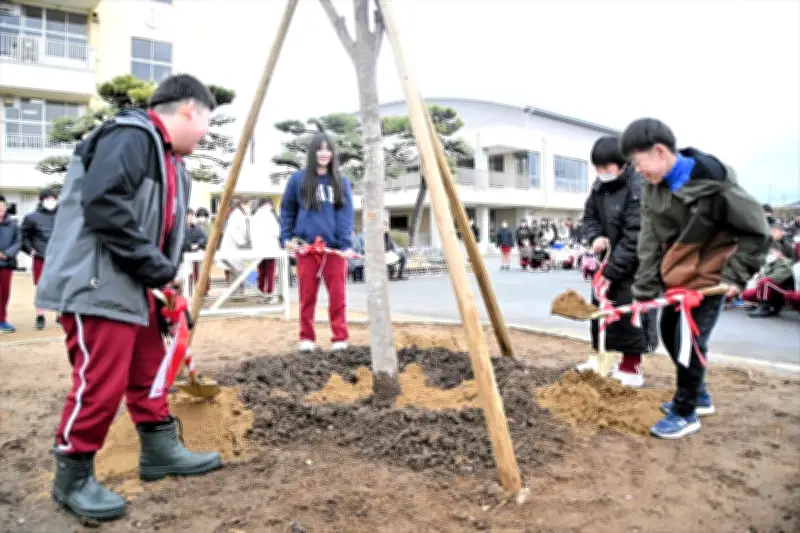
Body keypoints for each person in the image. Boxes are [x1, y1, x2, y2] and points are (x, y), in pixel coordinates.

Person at [34, 74, 223, 520]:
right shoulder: (132, 136)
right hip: (96, 283)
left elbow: (159, 229)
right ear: (189, 109)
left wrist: (163, 282)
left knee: (147, 371)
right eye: (207, 123)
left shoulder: (171, 160)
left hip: (135, 286)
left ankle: (159, 450)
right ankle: (73, 476)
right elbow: (104, 204)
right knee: (101, 381)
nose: (206, 133)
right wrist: (157, 270)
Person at [621, 118, 770, 439]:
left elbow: (758, 233)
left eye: (637, 162)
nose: (636, 170)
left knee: (689, 342)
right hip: (677, 274)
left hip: (710, 276)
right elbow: (648, 239)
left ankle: (686, 412)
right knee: (670, 333)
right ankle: (699, 395)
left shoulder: (717, 187)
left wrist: (736, 275)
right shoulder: (653, 187)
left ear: (660, 152)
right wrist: (644, 290)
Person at [576, 135, 657, 388]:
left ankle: (631, 366)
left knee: (628, 312)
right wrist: (595, 237)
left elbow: (635, 236)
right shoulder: (599, 187)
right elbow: (589, 217)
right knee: (601, 310)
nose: (602, 173)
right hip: (607, 261)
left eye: (606, 167)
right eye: (597, 168)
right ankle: (602, 358)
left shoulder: (638, 188)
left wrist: (611, 271)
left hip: (637, 266)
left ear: (622, 164)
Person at [281, 132, 355, 352]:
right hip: (306, 248)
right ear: (313, 152)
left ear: (333, 153)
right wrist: (286, 237)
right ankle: (307, 338)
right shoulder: (297, 180)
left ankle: (340, 338)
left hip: (334, 251)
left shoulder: (341, 182)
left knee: (338, 296)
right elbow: (287, 210)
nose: (324, 153)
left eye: (328, 149)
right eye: (319, 149)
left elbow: (345, 215)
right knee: (307, 296)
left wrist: (345, 245)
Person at [20, 188, 59, 329]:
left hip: (60, 257)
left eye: (53, 198)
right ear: (42, 200)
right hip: (40, 257)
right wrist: (29, 249)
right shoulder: (31, 217)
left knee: (60, 285)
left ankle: (60, 314)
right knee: (41, 288)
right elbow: (22, 235)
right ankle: (40, 315)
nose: (51, 201)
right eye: (47, 199)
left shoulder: (64, 215)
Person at [742, 243, 795, 317]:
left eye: (772, 252)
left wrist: (762, 278)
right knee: (747, 294)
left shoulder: (785, 262)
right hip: (773, 288)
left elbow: (776, 278)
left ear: (780, 253)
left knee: (765, 282)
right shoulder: (770, 263)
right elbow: (763, 276)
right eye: (769, 252)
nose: (770, 254)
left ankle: (765, 307)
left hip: (785, 289)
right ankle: (769, 305)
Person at [219, 197, 252, 296]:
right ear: (243, 204)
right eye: (248, 205)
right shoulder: (236, 215)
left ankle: (238, 294)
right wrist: (242, 242)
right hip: (233, 248)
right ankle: (235, 295)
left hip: (237, 250)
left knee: (238, 271)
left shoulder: (240, 215)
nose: (249, 207)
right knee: (234, 271)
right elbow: (232, 231)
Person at [251, 198, 282, 302]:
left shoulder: (254, 216)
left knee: (261, 272)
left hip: (258, 249)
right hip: (270, 248)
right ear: (269, 205)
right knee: (270, 272)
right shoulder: (270, 216)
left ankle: (260, 294)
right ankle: (269, 295)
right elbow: (277, 232)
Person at [0, 195, 21, 333]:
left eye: (2, 206)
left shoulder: (12, 226)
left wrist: (7, 254)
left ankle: (2, 320)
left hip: (6, 264)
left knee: (4, 293)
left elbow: (18, 241)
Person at [183, 208, 209, 296]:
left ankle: (202, 292)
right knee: (187, 276)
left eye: (191, 216)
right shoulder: (181, 228)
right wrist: (189, 245)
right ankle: (188, 293)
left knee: (201, 274)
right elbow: (181, 240)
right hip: (184, 256)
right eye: (188, 216)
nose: (190, 218)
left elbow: (204, 238)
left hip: (196, 255)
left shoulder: (196, 228)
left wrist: (198, 244)